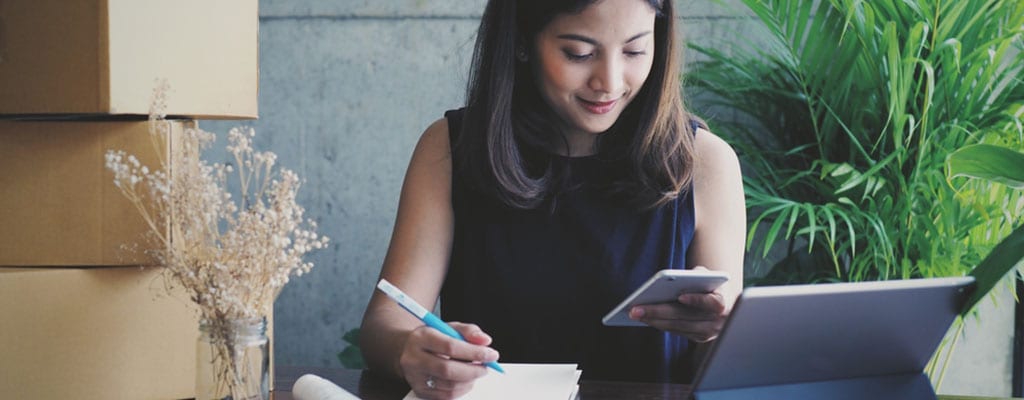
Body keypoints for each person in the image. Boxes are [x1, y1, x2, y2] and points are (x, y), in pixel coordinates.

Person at [360, 0, 746, 398]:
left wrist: (718, 333)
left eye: (634, 50)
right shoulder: (450, 149)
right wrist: (411, 350)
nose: (610, 82)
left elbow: (721, 366)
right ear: (523, 41)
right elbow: (385, 322)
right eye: (579, 52)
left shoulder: (704, 161)